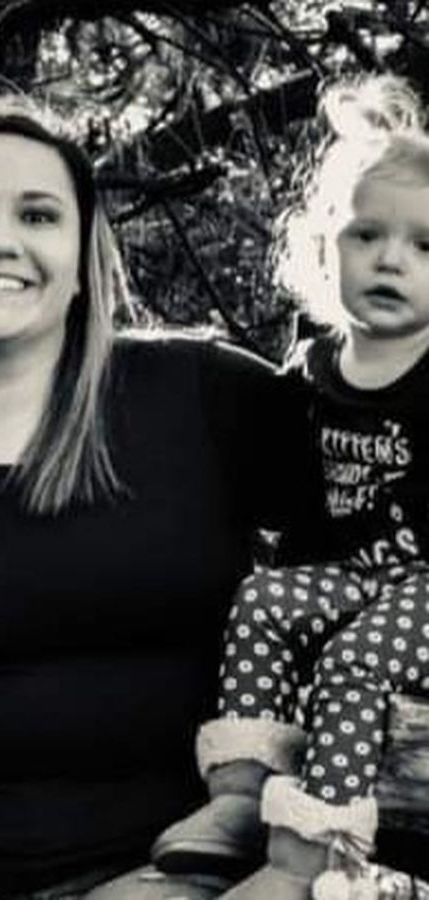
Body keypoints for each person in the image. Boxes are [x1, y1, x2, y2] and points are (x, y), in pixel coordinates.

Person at [0, 92, 321, 900]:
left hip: (172, 864)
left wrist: (301, 858)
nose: (0, 239)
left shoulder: (198, 397)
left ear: (84, 257)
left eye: (39, 215)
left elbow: (385, 491)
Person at [150, 76, 429, 900]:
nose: (391, 259)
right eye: (366, 234)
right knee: (264, 601)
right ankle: (242, 794)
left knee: (355, 660)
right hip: (356, 579)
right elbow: (287, 497)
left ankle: (311, 853)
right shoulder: (312, 371)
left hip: (428, 589)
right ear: (322, 246)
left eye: (425, 246)